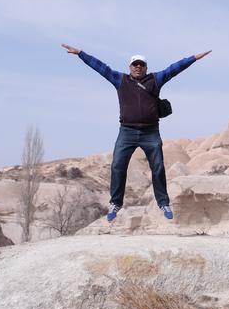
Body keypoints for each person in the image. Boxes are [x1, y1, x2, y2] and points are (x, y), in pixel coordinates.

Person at [61, 43, 211, 223]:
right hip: (127, 132)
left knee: (158, 167)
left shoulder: (155, 80)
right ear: (130, 67)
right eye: (135, 64)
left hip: (150, 132)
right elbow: (101, 68)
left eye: (141, 65)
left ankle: (163, 202)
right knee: (117, 165)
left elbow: (174, 69)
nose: (138, 67)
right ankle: (115, 203)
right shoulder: (120, 80)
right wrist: (81, 54)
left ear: (146, 67)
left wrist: (193, 58)